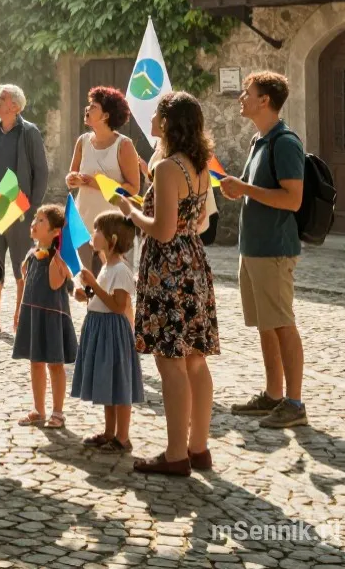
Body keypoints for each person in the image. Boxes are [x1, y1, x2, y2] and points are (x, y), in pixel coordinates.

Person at [118, 92, 219, 476]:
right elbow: (192, 221)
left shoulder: (167, 168)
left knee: (171, 363)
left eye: (158, 115)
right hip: (193, 261)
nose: (152, 120)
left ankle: (175, 454)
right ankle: (198, 448)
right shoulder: (198, 164)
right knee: (195, 360)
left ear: (170, 122)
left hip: (168, 267)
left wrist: (130, 211)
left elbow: (161, 230)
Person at [219, 71, 308, 429]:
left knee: (283, 324)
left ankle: (295, 403)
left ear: (265, 100)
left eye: (248, 93)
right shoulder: (260, 140)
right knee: (265, 326)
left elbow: (293, 199)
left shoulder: (284, 142)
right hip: (253, 249)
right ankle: (273, 395)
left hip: (273, 249)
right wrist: (242, 189)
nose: (242, 98)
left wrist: (245, 189)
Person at [71, 211, 143, 454]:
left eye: (97, 230)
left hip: (113, 332)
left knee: (119, 385)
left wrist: (93, 285)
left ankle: (122, 437)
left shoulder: (120, 270)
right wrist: (86, 296)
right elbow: (103, 296)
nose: (93, 234)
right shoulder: (106, 266)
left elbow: (118, 305)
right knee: (108, 384)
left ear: (111, 239)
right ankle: (109, 432)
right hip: (100, 328)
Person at [0, 84, 49, 334]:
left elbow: (41, 172)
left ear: (15, 106)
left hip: (20, 209)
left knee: (23, 266)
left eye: (2, 98)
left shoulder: (29, 132)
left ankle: (22, 320)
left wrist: (33, 209)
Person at [12, 205, 77, 429]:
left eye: (41, 221)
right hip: (32, 314)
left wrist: (57, 255)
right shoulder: (31, 255)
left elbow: (55, 283)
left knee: (54, 364)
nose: (34, 223)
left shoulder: (58, 260)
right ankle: (39, 409)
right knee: (35, 362)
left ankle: (58, 412)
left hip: (51, 317)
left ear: (55, 232)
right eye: (35, 219)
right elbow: (24, 284)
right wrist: (18, 310)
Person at [66, 86, 142, 272]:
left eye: (93, 107)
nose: (87, 109)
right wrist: (72, 179)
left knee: (109, 283)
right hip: (83, 221)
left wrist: (94, 183)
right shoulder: (82, 141)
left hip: (112, 225)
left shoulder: (123, 145)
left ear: (106, 116)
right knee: (87, 281)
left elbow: (133, 189)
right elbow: (70, 177)